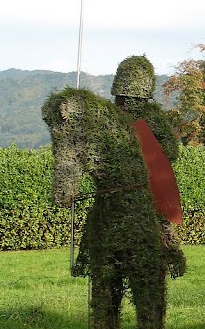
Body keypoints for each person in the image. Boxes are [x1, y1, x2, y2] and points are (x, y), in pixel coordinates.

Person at [73, 55, 186, 278]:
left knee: (158, 218)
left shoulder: (138, 118)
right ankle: (85, 258)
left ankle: (173, 254)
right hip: (117, 186)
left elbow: (170, 151)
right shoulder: (109, 118)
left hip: (145, 185)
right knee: (101, 215)